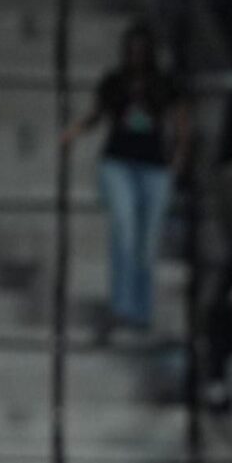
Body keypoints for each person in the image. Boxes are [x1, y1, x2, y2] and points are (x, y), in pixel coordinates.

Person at [60, 24, 184, 339]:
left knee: (147, 241)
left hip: (154, 165)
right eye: (132, 48)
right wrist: (73, 133)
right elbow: (97, 113)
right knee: (124, 233)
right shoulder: (115, 82)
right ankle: (122, 308)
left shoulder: (164, 83)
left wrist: (177, 162)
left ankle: (142, 311)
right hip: (118, 162)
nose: (137, 55)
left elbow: (181, 122)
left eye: (142, 49)